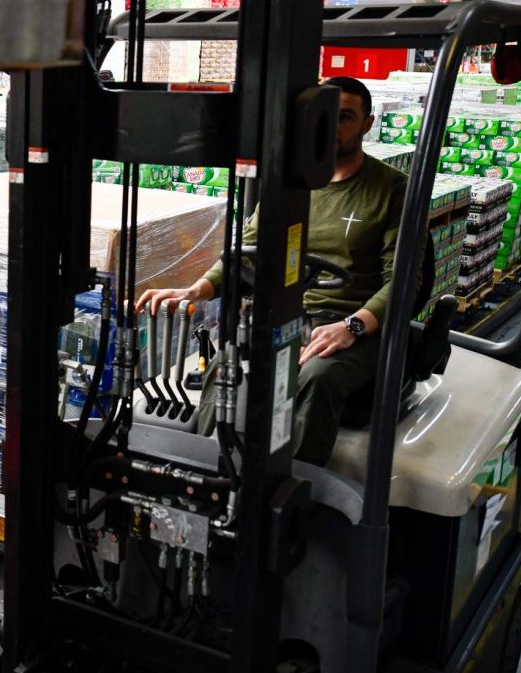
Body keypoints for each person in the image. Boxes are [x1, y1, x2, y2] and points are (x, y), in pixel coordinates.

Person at [136, 75, 406, 466]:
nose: (335, 127)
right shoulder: (290, 183)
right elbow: (248, 250)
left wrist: (353, 326)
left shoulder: (392, 190)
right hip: (290, 316)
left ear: (367, 123)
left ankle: (291, 488)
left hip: (353, 325)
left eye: (346, 117)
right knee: (226, 364)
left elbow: (402, 280)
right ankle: (206, 474)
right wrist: (198, 289)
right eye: (328, 117)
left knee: (316, 377)